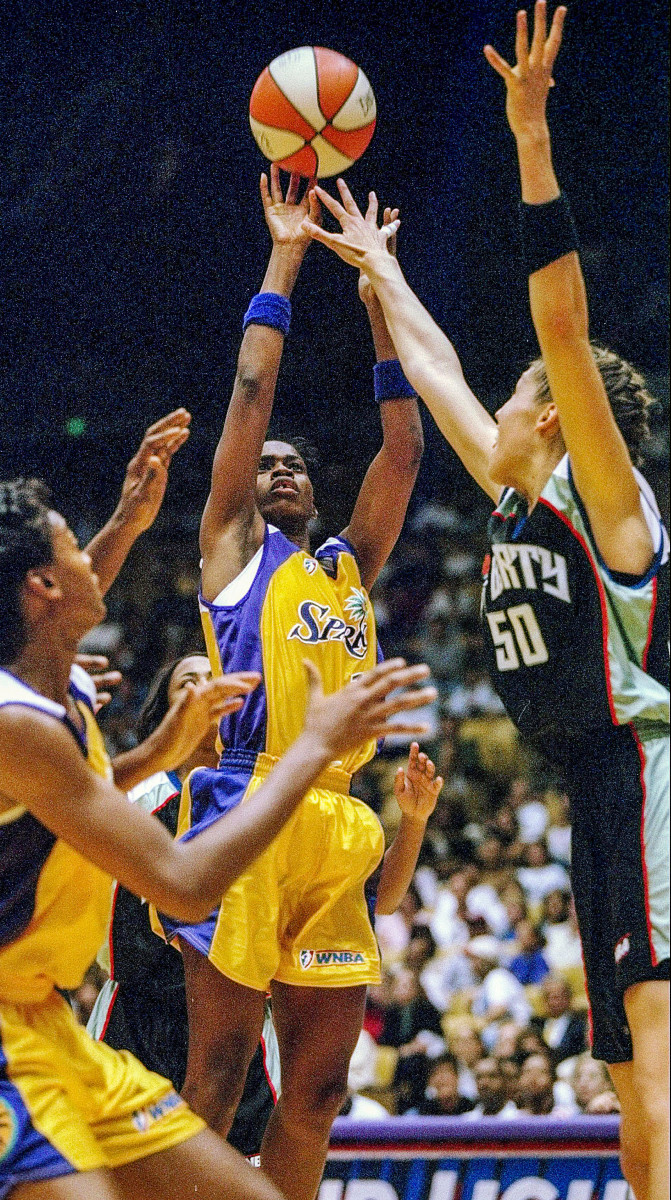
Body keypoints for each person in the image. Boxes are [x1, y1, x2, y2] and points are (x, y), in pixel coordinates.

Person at [303, 5, 668, 1195]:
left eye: (523, 397)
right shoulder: (515, 493)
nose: (499, 411)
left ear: (553, 414)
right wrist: (385, 269)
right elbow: (443, 374)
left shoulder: (602, 496)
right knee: (627, 1074)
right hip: (595, 789)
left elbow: (556, 324)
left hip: (649, 769)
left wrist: (527, 133)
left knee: (659, 1061)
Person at [0, 477, 433, 1200]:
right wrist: (309, 749)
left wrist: (159, 749)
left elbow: (73, 801)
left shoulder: (53, 707)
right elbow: (183, 884)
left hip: (41, 1020)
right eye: (75, 550)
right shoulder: (10, 723)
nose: (95, 563)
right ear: (42, 584)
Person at [159, 165, 430, 1200]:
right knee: (221, 1080)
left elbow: (402, 446)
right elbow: (247, 393)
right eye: (262, 463)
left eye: (291, 465)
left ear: (313, 490)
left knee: (315, 1092)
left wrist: (375, 296)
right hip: (247, 796)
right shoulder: (232, 546)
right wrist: (283, 257)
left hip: (337, 816)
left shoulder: (346, 565)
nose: (276, 469)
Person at [88, 653, 280, 1164]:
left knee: (241, 1174)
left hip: (238, 1021)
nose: (205, 690)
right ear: (165, 713)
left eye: (214, 679)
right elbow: (107, 933)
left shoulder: (262, 798)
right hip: (139, 1015)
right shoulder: (136, 798)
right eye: (188, 683)